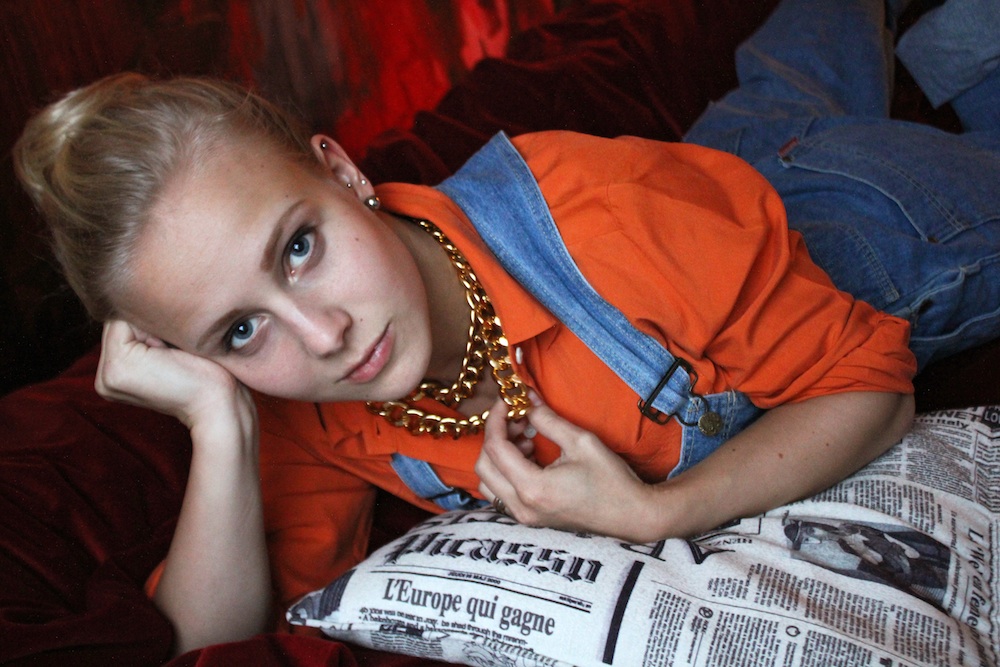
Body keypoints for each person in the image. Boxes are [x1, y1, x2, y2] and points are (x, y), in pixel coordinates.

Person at [12, 0, 998, 655]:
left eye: (299, 247)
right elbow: (209, 641)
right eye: (237, 332)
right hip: (710, 197)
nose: (322, 336)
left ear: (345, 172)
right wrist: (218, 425)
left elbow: (872, 387)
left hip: (870, 224)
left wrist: (660, 511)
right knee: (788, 72)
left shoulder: (606, 217)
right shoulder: (305, 410)